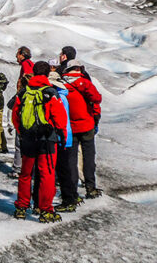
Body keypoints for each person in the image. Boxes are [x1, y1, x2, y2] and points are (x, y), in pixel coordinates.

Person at [12, 61, 68, 223]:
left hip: (28, 138)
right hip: (46, 139)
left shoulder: (24, 92)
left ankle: (21, 207)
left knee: (25, 174)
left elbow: (16, 116)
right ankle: (45, 210)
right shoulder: (50, 92)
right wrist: (61, 136)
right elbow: (60, 118)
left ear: (34, 72)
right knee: (46, 174)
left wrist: (23, 132)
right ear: (47, 74)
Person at [60, 59, 103, 206]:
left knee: (71, 160)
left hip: (70, 127)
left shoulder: (62, 85)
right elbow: (97, 99)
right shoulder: (85, 83)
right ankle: (90, 186)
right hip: (86, 124)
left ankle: (72, 190)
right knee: (88, 157)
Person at [9, 46, 35, 177]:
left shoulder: (26, 65)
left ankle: (18, 169)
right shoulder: (30, 63)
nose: (16, 57)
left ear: (22, 55)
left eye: (17, 54)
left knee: (20, 141)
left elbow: (26, 79)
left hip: (25, 102)